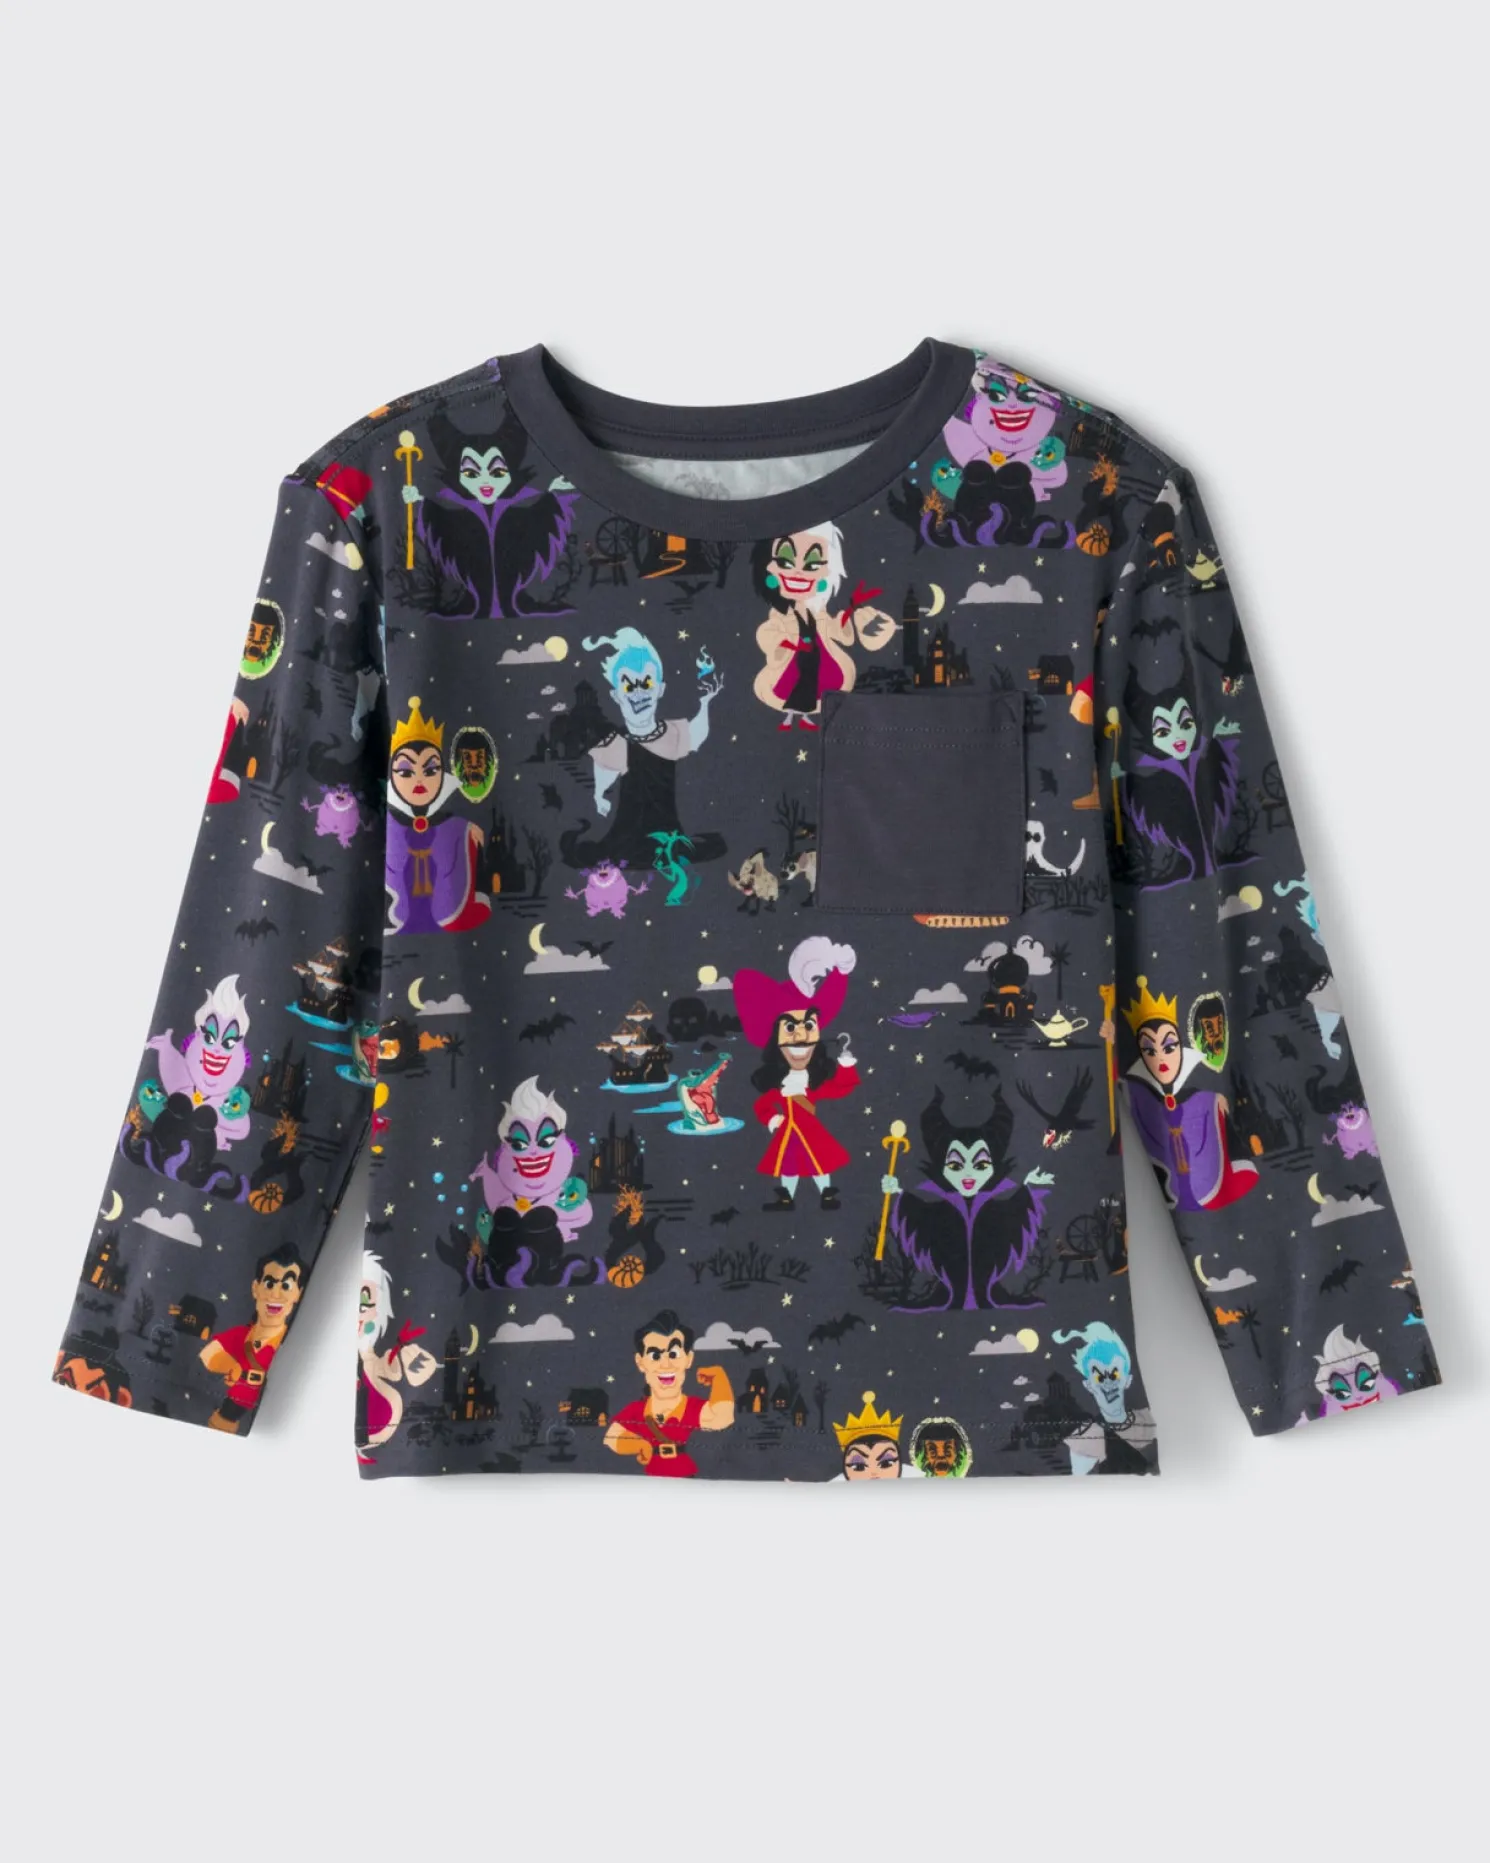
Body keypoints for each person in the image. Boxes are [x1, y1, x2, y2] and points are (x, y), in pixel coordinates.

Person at [603, 1310, 734, 1476]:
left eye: (673, 1354)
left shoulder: (691, 1408)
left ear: (688, 1359)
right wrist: (636, 1444)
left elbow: (722, 1418)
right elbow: (612, 1436)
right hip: (644, 1482)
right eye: (655, 1356)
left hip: (687, 1478)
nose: (666, 1365)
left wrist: (719, 1379)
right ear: (640, 1362)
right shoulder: (637, 1410)